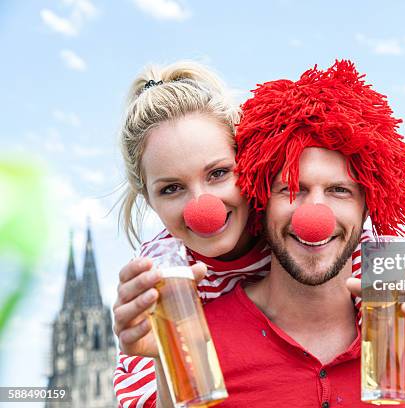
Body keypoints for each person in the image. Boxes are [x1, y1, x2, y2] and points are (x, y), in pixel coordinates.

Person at [111, 61, 373, 408]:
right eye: (171, 188)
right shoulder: (161, 274)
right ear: (149, 199)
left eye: (218, 173)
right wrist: (164, 353)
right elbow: (150, 399)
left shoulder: (293, 222)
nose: (202, 208)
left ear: (249, 164)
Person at [195, 60, 405, 407]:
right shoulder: (199, 338)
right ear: (261, 202)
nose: (313, 216)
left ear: (366, 208)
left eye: (339, 190)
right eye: (292, 189)